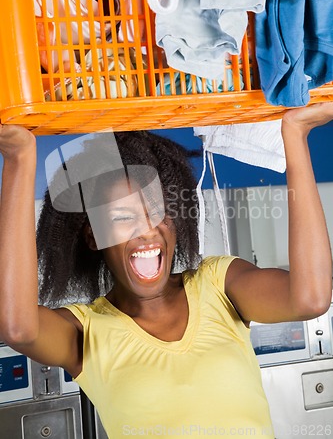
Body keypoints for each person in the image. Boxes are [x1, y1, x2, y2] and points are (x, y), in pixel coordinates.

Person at [0, 102, 332, 438]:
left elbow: (310, 300)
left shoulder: (219, 284)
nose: (146, 231)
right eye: (122, 218)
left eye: (156, 212)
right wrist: (18, 160)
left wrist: (296, 137)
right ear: (94, 236)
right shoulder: (86, 332)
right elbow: (18, 329)